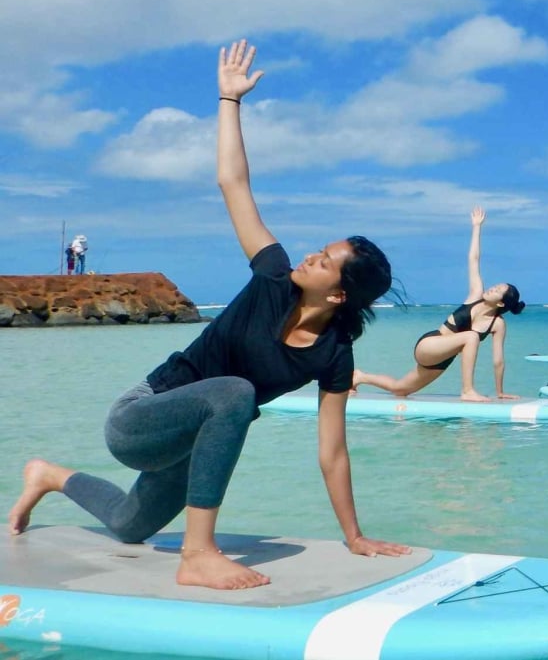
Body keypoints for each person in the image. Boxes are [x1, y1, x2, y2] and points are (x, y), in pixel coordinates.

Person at [8, 40, 407, 591]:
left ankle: (48, 475)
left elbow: (333, 451)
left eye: (325, 261)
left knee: (129, 525)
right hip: (139, 419)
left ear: (340, 295)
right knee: (237, 394)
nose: (310, 256)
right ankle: (198, 553)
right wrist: (229, 101)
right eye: (318, 249)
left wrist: (355, 536)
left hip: (194, 442)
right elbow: (233, 183)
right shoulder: (272, 277)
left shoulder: (334, 353)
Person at [353, 208, 524, 402]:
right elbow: (474, 259)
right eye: (494, 286)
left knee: (400, 389)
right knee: (470, 337)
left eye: (496, 290)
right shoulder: (475, 294)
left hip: (443, 359)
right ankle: (468, 390)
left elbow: (498, 360)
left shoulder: (498, 324)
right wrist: (476, 227)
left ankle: (360, 377)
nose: (491, 288)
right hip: (430, 345)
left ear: (501, 302)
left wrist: (500, 391)